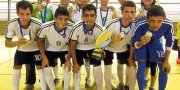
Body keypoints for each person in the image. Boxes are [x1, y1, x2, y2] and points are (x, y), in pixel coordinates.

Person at [5, 1, 47, 90]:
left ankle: (44, 87)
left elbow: (43, 40)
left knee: (40, 67)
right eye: (21, 14)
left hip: (35, 49)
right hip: (21, 49)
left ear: (32, 13)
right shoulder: (12, 24)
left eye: (28, 14)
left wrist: (44, 55)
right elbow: (7, 43)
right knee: (16, 67)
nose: (25, 17)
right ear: (17, 13)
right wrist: (17, 42)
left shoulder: (38, 24)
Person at [130, 5, 173, 90]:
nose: (155, 25)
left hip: (155, 42)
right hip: (141, 43)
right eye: (152, 21)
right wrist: (141, 43)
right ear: (147, 19)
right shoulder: (140, 24)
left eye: (159, 21)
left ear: (163, 20)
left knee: (164, 69)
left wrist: (166, 61)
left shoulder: (168, 25)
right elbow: (134, 43)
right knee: (142, 65)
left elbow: (169, 43)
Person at [37, 6, 73, 90]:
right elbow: (39, 41)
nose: (63, 22)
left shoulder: (71, 27)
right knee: (46, 69)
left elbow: (72, 44)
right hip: (50, 49)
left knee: (67, 68)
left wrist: (68, 60)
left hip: (64, 49)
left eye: (66, 19)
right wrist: (44, 57)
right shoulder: (46, 27)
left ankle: (66, 88)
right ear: (54, 18)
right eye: (60, 19)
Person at [69, 4, 103, 90]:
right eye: (86, 15)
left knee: (98, 69)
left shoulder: (99, 29)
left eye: (92, 15)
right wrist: (75, 63)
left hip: (94, 47)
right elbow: (72, 46)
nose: (89, 18)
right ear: (82, 17)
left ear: (95, 17)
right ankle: (77, 88)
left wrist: (98, 57)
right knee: (77, 70)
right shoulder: (76, 27)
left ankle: (99, 88)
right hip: (79, 48)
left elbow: (101, 46)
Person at [104, 1, 136, 90]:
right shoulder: (112, 24)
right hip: (108, 48)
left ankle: (125, 84)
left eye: (132, 12)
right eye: (126, 12)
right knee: (108, 68)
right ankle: (108, 87)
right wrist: (113, 39)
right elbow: (102, 42)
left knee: (130, 66)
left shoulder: (135, 26)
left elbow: (132, 44)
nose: (129, 15)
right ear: (121, 12)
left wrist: (131, 58)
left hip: (123, 48)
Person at [135, 0, 158, 89]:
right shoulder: (138, 10)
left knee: (154, 65)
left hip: (154, 42)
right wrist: (137, 17)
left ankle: (152, 86)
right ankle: (145, 78)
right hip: (142, 42)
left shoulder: (158, 9)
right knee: (145, 63)